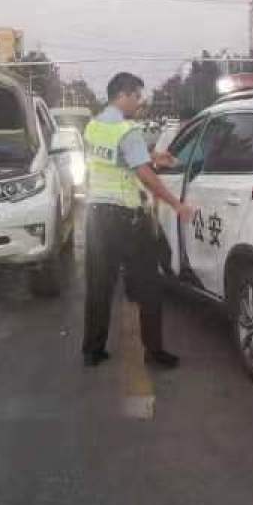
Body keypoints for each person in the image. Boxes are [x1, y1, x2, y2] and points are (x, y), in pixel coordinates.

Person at [83, 72, 195, 369]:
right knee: (148, 286)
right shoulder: (126, 130)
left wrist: (152, 157)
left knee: (99, 285)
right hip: (126, 220)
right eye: (137, 96)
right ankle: (155, 352)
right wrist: (176, 204)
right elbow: (142, 175)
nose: (139, 103)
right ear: (124, 94)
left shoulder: (93, 126)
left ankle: (92, 350)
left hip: (96, 216)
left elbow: (117, 159)